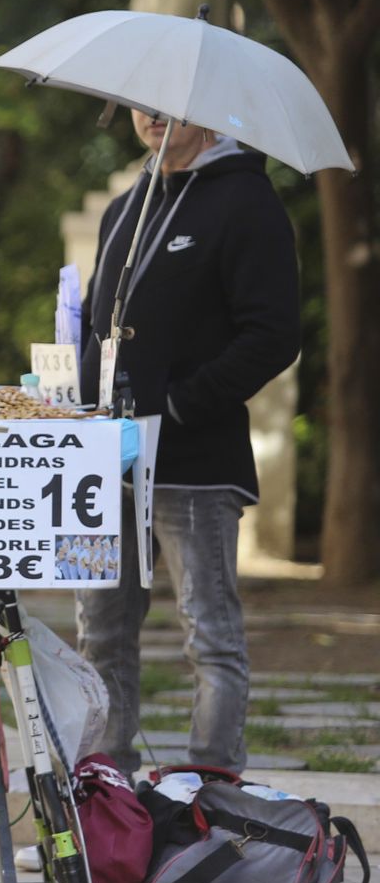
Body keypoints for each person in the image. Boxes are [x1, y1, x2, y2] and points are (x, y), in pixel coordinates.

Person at [76, 109, 300, 779]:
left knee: (210, 637)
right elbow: (94, 324)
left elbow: (273, 335)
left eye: (169, 104)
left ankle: (213, 796)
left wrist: (179, 404)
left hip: (196, 464)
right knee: (100, 635)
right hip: (106, 462)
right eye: (141, 101)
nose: (151, 114)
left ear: (206, 111)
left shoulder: (247, 200)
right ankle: (107, 796)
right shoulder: (124, 206)